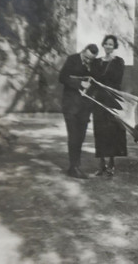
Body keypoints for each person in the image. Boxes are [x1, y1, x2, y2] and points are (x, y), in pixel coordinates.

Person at [58, 44, 99, 179]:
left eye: (91, 60)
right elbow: (62, 78)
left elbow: (95, 83)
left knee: (80, 137)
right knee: (74, 136)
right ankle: (74, 167)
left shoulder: (93, 65)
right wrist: (80, 84)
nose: (88, 61)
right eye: (86, 58)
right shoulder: (72, 59)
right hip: (71, 105)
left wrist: (91, 89)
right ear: (83, 51)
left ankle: (75, 166)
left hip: (85, 107)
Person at [92, 35, 126, 176]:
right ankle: (101, 164)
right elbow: (94, 79)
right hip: (99, 100)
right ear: (103, 45)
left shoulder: (119, 62)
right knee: (99, 130)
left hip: (112, 99)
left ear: (114, 46)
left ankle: (111, 163)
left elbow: (117, 79)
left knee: (112, 130)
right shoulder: (96, 62)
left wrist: (102, 81)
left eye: (111, 44)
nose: (108, 46)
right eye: (106, 44)